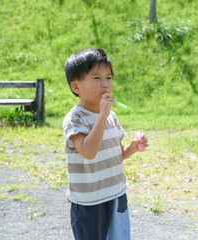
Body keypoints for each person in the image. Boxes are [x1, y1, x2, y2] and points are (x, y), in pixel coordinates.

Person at [62, 48, 148, 240]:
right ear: (76, 87)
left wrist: (132, 147)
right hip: (89, 202)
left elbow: (116, 154)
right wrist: (102, 116)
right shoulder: (75, 119)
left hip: (116, 194)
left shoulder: (111, 116)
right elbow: (89, 151)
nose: (105, 84)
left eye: (108, 78)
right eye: (96, 78)